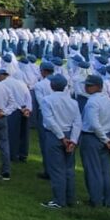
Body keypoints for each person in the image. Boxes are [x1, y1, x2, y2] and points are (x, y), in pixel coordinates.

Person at [40, 74, 80, 209]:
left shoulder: (47, 100)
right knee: (69, 168)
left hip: (55, 135)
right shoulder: (73, 102)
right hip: (69, 134)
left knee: (57, 169)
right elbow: (77, 122)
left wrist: (62, 137)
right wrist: (73, 140)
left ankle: (59, 199)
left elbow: (50, 120)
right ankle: (70, 198)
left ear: (51, 86)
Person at [78, 74, 110, 208]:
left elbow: (94, 124)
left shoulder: (92, 102)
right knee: (105, 171)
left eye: (89, 85)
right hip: (106, 136)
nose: (86, 87)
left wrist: (106, 140)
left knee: (93, 171)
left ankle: (96, 200)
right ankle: (109, 200)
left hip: (92, 137)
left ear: (98, 87)